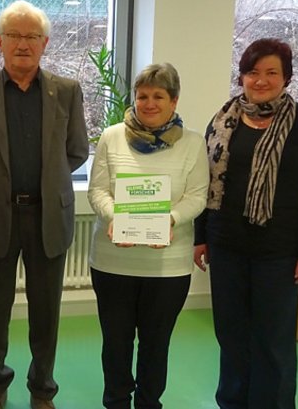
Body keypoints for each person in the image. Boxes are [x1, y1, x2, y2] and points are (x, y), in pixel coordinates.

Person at [0, 0, 89, 409]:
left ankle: (42, 388)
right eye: (14, 35)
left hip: (48, 216)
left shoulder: (66, 92)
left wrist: (47, 179)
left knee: (46, 312)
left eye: (31, 36)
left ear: (45, 43)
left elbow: (77, 150)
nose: (22, 44)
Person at [193, 38, 298, 409]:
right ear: (242, 76)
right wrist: (200, 237)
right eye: (253, 72)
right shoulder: (225, 119)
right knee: (232, 336)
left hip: (279, 253)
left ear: (286, 77)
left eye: (272, 72)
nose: (261, 80)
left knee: (273, 342)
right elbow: (206, 182)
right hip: (227, 247)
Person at [87, 63, 209, 409]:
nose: (149, 103)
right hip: (113, 261)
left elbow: (198, 196)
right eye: (142, 96)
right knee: (116, 342)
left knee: (156, 343)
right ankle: (116, 402)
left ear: (174, 101)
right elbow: (97, 192)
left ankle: (149, 402)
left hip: (167, 267)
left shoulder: (193, 143)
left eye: (158, 96)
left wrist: (169, 219)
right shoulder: (111, 138)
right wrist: (116, 217)